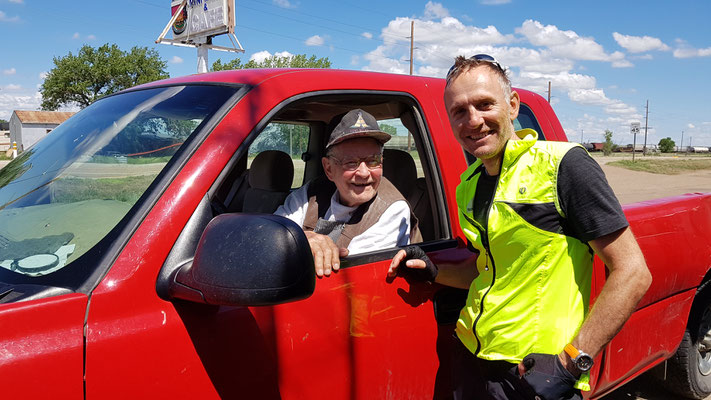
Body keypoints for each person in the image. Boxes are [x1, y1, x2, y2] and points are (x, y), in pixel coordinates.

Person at [388, 55, 652, 399]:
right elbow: (489, 268)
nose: (474, 121)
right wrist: (434, 270)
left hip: (535, 373)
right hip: (474, 358)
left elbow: (633, 272)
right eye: (460, 111)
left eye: (485, 105)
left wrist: (572, 362)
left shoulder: (563, 165)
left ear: (512, 105)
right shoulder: (468, 184)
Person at [275, 108, 421, 278]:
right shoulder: (312, 192)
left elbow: (342, 274)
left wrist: (294, 242)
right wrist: (305, 238)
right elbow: (273, 233)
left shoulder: (393, 209)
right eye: (351, 163)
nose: (364, 173)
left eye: (373, 161)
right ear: (328, 169)